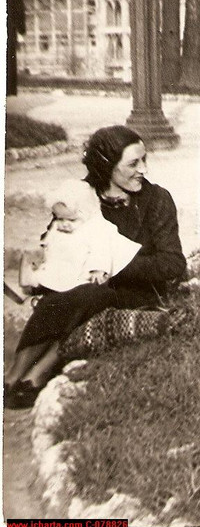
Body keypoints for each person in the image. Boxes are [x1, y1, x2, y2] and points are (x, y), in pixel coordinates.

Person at [4, 126, 186, 409]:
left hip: (134, 291)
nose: (143, 169)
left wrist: (112, 265)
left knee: (89, 296)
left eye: (144, 160)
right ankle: (15, 378)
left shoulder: (156, 200)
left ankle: (32, 375)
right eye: (133, 163)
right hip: (79, 285)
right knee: (70, 295)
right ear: (107, 165)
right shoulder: (81, 196)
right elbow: (58, 241)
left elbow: (173, 263)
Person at [20, 179, 141, 294]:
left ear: (86, 214)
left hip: (81, 269)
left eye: (71, 220)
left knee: (78, 286)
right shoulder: (59, 225)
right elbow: (51, 241)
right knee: (45, 274)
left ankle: (48, 290)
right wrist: (45, 247)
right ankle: (36, 286)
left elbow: (101, 250)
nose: (64, 224)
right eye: (59, 218)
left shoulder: (95, 227)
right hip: (63, 264)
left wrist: (97, 269)